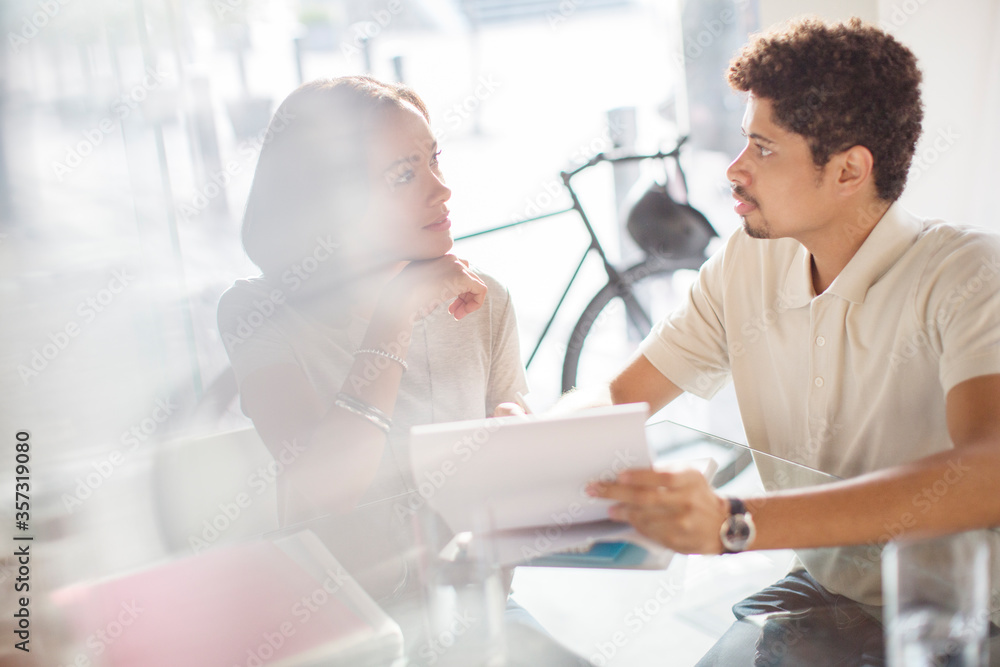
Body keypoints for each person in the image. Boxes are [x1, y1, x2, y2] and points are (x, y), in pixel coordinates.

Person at [580, 17, 1000, 665]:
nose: (735, 168)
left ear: (849, 170)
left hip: (968, 615)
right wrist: (524, 442)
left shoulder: (968, 273)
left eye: (764, 148)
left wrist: (735, 519)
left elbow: (987, 472)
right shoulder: (745, 262)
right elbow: (618, 399)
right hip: (825, 591)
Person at [217, 75, 591, 666]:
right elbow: (330, 486)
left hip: (471, 616)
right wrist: (397, 312)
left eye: (434, 159)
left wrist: (515, 451)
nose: (441, 189)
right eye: (402, 175)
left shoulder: (484, 299)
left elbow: (502, 536)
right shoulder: (256, 314)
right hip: (342, 629)